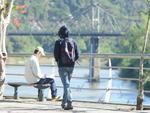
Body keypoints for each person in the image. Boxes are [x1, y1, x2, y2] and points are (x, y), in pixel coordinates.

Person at [54, 26, 79, 110]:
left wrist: (58, 61)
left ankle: (70, 102)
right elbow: (77, 55)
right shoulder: (73, 42)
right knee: (67, 84)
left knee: (66, 84)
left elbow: (56, 55)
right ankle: (64, 103)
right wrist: (71, 61)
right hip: (71, 67)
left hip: (62, 66)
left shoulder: (58, 42)